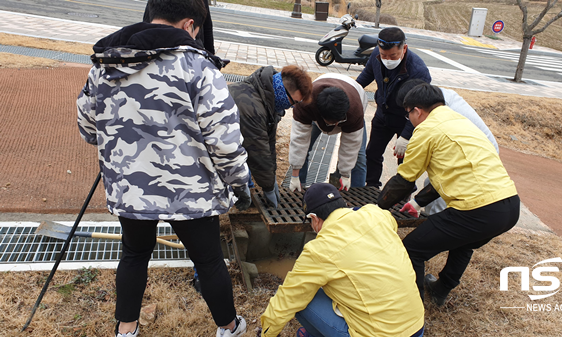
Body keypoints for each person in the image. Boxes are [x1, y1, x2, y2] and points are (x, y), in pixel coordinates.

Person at [76, 1, 250, 336]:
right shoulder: (198, 66)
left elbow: (88, 128)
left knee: (134, 254)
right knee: (209, 260)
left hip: (130, 184)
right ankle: (229, 328)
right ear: (189, 25)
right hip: (191, 190)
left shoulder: (106, 62)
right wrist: (239, 182)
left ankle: (126, 329)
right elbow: (224, 140)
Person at [377, 83, 520, 306]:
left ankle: (410, 306)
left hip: (476, 210)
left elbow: (403, 182)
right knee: (464, 242)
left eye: (408, 116)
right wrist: (417, 203)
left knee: (413, 248)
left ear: (417, 111)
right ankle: (441, 288)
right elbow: (452, 174)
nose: (410, 121)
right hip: (509, 205)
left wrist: (377, 207)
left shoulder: (425, 130)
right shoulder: (461, 123)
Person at [260, 183, 425, 337]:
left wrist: (266, 333)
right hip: (416, 326)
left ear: (314, 218)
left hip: (380, 334)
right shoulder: (376, 215)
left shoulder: (320, 249)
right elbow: (388, 220)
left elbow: (289, 297)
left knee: (301, 299)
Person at [393, 79, 500, 215]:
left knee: (443, 191)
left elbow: (409, 172)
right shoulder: (438, 100)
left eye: (408, 112)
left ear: (417, 107)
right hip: (474, 147)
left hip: (480, 152)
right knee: (431, 183)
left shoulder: (442, 112)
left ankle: (438, 222)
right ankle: (430, 219)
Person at [355, 27, 431, 188]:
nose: (387, 59)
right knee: (373, 153)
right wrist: (350, 89)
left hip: (406, 118)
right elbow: (365, 77)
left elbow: (421, 107)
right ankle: (371, 186)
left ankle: (404, 193)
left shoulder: (418, 71)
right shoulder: (377, 54)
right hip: (383, 113)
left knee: (405, 160)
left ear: (404, 48)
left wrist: (406, 135)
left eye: (393, 55)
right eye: (384, 55)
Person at [228, 65, 312, 208]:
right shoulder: (251, 107)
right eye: (294, 102)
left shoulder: (267, 98)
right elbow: (258, 152)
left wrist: (271, 177)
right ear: (283, 92)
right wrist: (268, 187)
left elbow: (268, 143)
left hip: (236, 145)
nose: (292, 107)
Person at [289, 73, 368, 192]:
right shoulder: (305, 104)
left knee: (359, 156)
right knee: (304, 148)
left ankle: (356, 192)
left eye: (338, 122)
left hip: (352, 101)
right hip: (319, 106)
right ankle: (299, 187)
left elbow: (350, 145)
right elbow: (299, 140)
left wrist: (345, 174)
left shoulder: (355, 111)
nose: (336, 126)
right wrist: (294, 175)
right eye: (332, 122)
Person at [143, 0, 215, 54]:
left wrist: (211, 55)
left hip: (193, 45)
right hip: (163, 46)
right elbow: (148, 22)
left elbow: (207, 26)